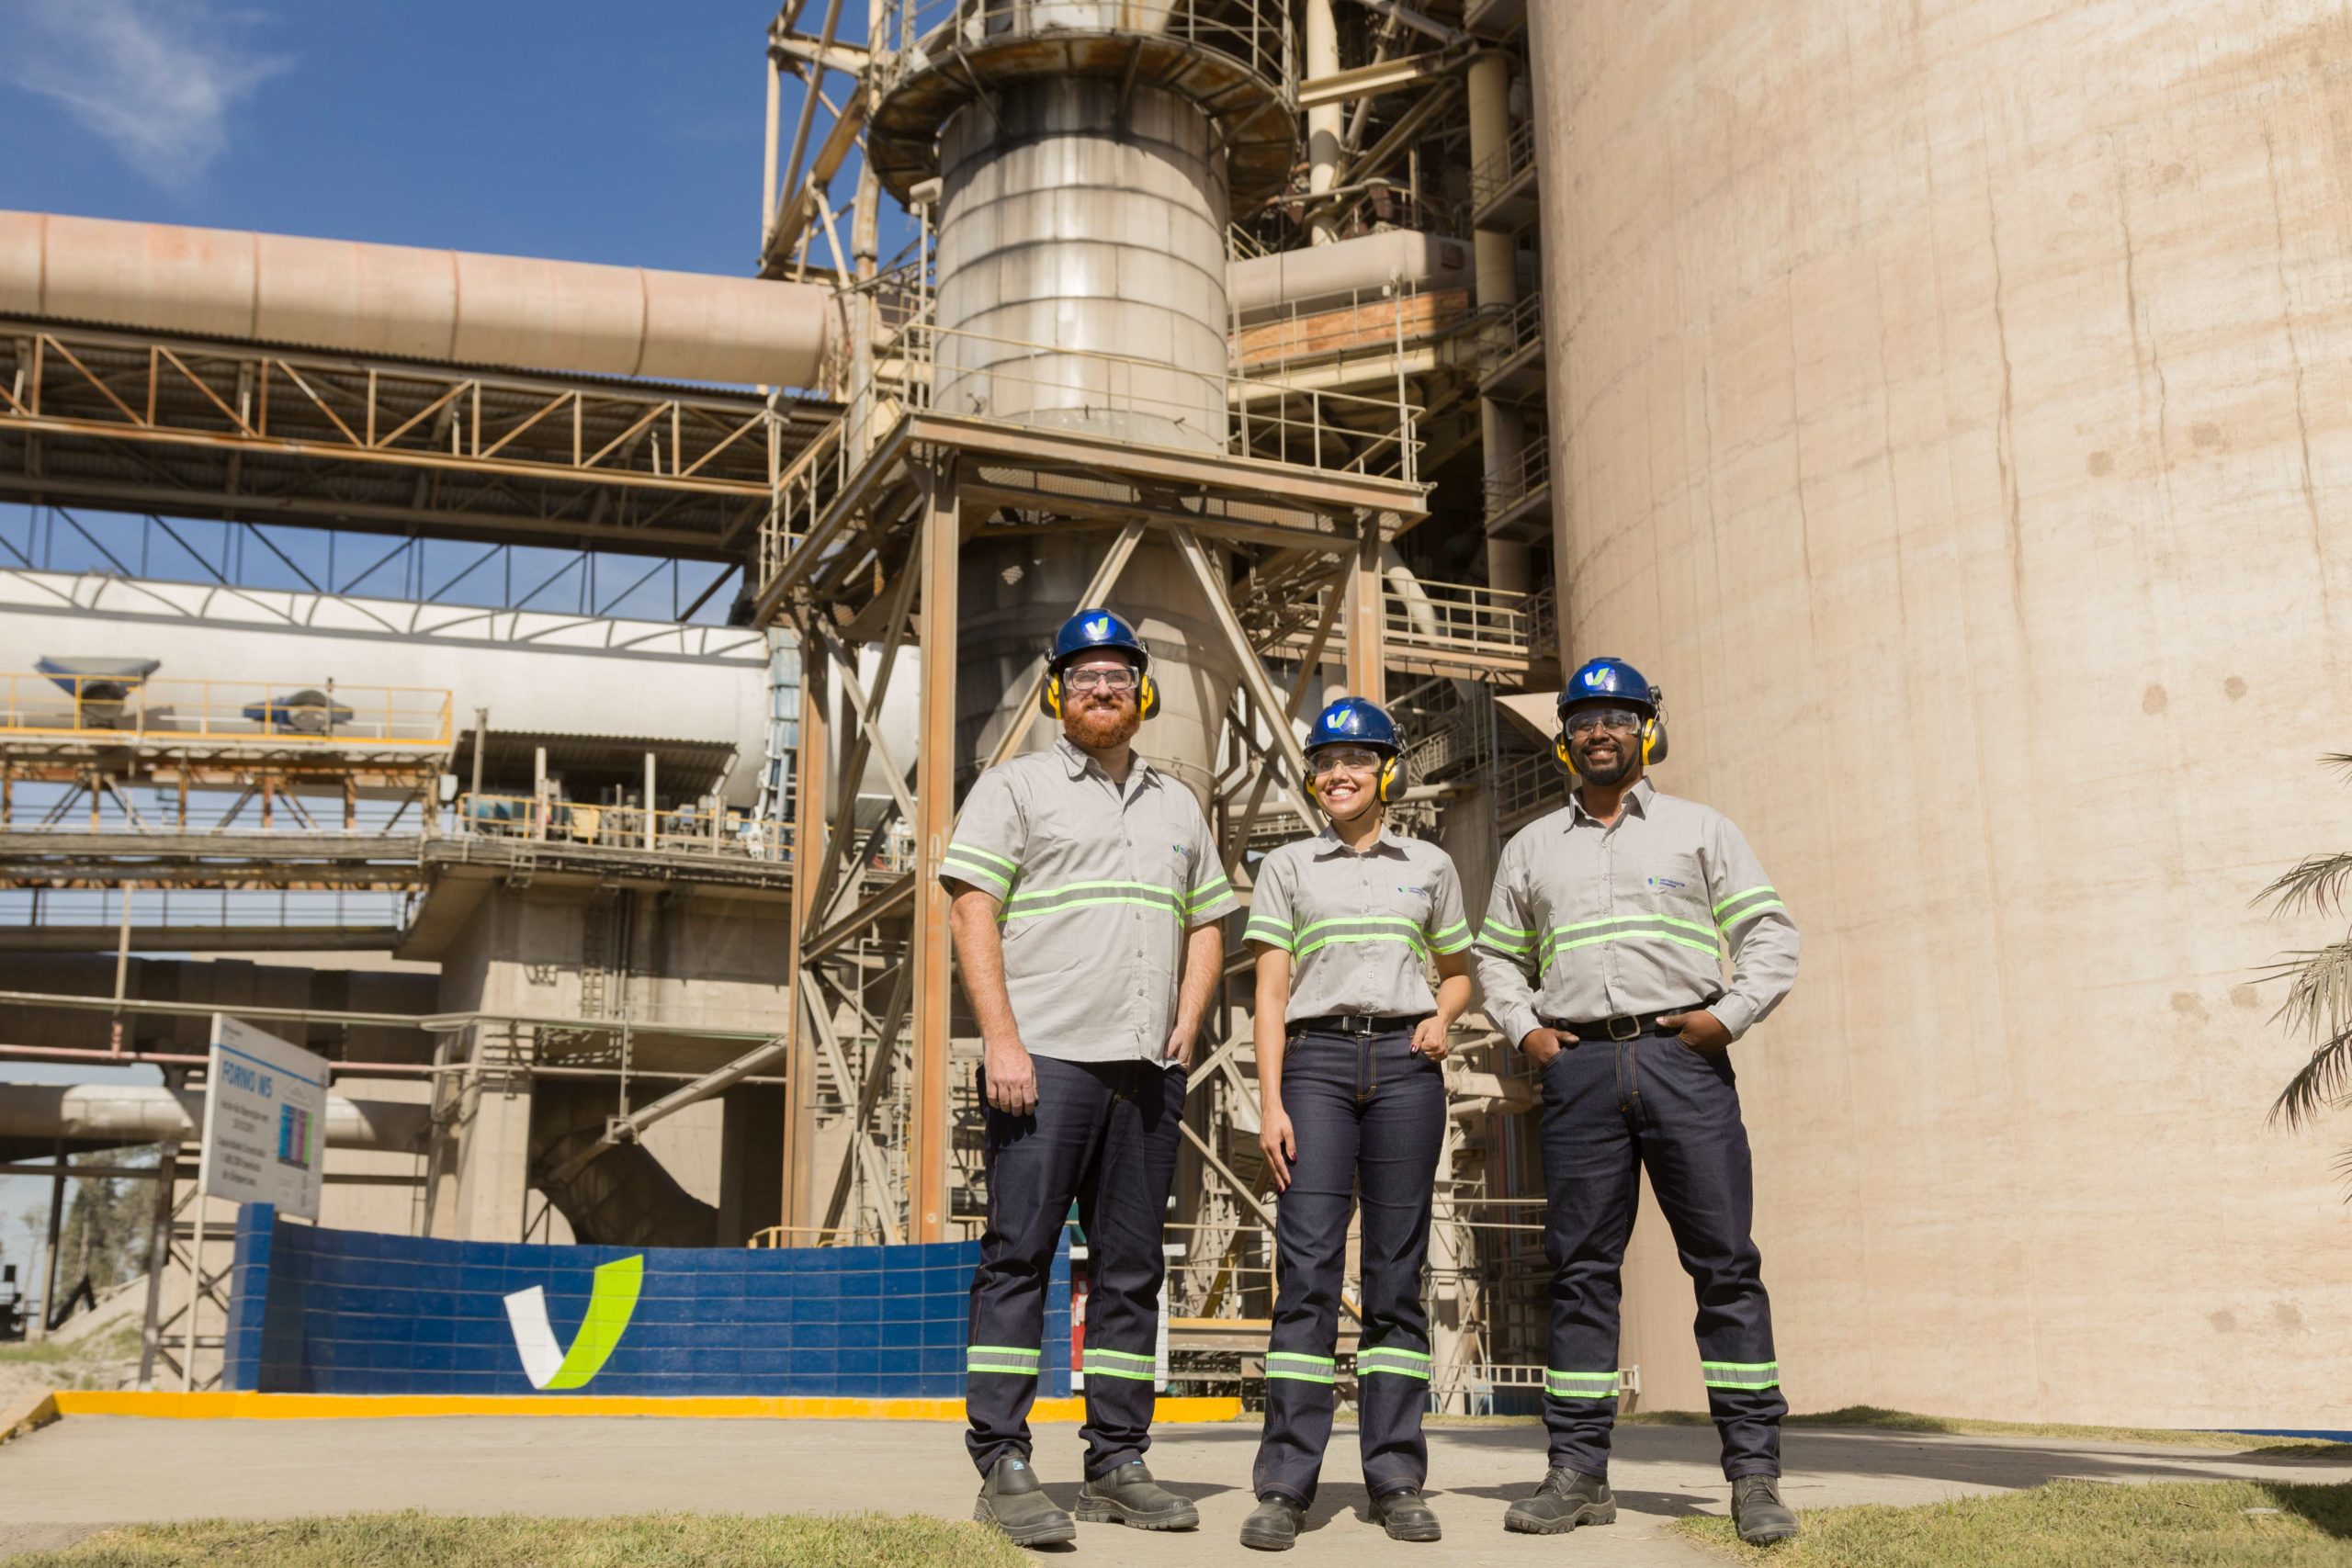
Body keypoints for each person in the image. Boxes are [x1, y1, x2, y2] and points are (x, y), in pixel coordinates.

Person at [1474, 656, 1804, 1546]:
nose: (1598, 732)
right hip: (1578, 1068)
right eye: (1582, 720)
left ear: (1646, 729)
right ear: (1565, 740)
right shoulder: (1532, 847)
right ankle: (1576, 1472)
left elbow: (1769, 936)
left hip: (1681, 1062)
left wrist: (1727, 1018)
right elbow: (1496, 956)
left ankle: (1754, 1478)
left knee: (1724, 1265)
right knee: (1580, 1272)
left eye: (1616, 717)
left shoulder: (1701, 831)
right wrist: (1525, 1030)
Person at [942, 607, 1238, 1548]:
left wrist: (1186, 1026)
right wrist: (1001, 1039)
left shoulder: (1176, 803)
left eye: (1116, 678)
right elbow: (971, 913)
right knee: (1020, 1255)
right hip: (1048, 1060)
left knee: (1130, 1271)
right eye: (1083, 679)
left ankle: (1116, 1460)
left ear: (1141, 695)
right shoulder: (1015, 787)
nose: (1100, 691)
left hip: (1147, 1070)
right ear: (1057, 697)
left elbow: (1207, 923)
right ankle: (1002, 1460)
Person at [1236, 697, 1475, 1551]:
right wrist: (1270, 1100)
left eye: (1358, 759)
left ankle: (1397, 1476)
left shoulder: (1433, 865)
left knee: (1396, 1273)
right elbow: (1269, 991)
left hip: (1407, 1069)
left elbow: (1457, 972)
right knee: (1304, 1272)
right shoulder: (1288, 866)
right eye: (1327, 760)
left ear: (1388, 771)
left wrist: (1443, 1018)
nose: (1340, 773)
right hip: (1318, 1065)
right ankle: (1285, 1482)